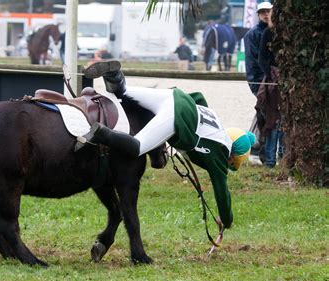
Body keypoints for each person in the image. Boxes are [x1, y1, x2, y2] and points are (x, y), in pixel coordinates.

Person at [75, 60, 256, 229]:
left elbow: (199, 97)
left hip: (172, 95)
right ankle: (101, 132)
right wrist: (227, 220)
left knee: (122, 92)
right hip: (176, 114)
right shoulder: (220, 155)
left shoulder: (216, 121)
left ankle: (113, 75)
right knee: (138, 146)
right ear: (233, 158)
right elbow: (221, 191)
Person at [243, 1, 273, 163]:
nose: (266, 14)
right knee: (265, 114)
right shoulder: (253, 34)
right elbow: (254, 63)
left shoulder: (273, 32)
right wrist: (261, 83)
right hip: (260, 82)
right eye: (263, 12)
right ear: (258, 15)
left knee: (265, 113)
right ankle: (257, 150)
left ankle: (257, 149)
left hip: (270, 81)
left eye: (268, 11)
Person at [256, 9, 284, 168]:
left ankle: (282, 158)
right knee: (272, 121)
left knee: (284, 123)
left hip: (285, 80)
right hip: (273, 82)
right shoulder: (268, 32)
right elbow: (261, 58)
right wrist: (271, 74)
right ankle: (270, 161)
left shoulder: (287, 34)